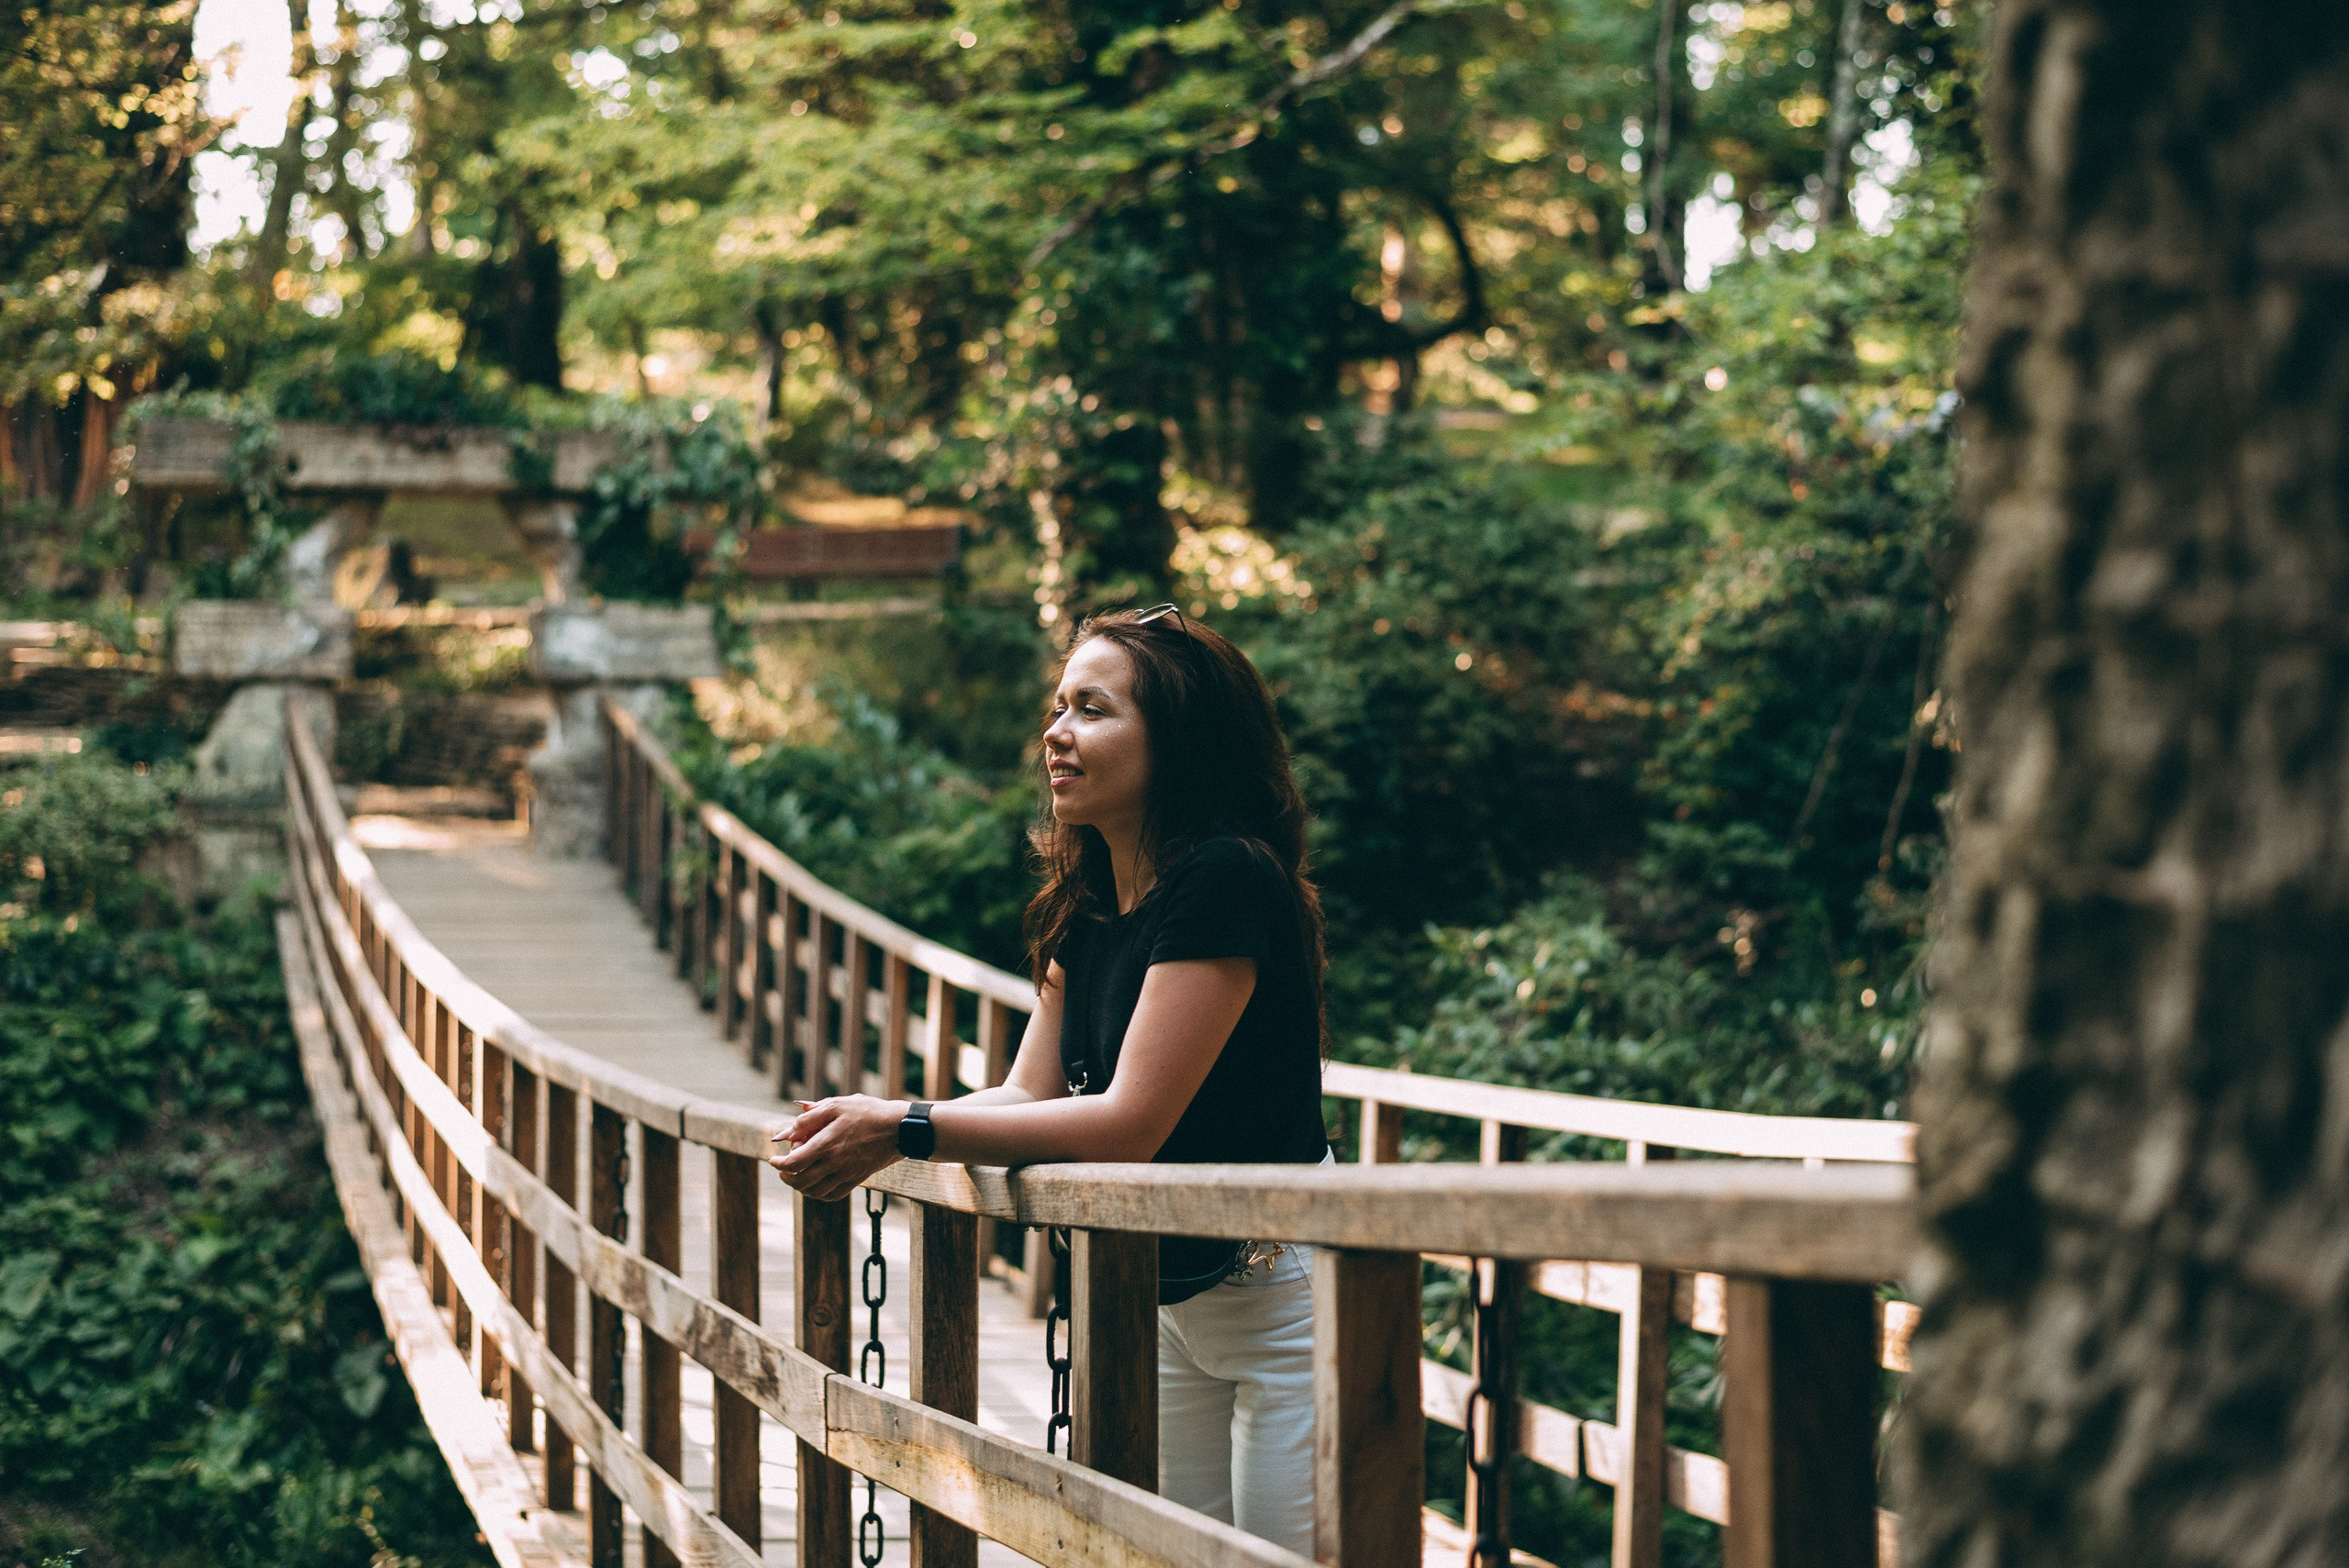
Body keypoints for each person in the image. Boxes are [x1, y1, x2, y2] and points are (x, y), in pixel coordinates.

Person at [768, 603, 1332, 1553]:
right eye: (1059, 707)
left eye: (1094, 709)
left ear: (1179, 739)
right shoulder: (1090, 898)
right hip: (1163, 1291)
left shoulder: (1228, 877)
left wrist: (905, 1127)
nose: (1058, 733)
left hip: (1279, 1294)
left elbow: (1129, 1122)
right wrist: (886, 1121)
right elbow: (1027, 1092)